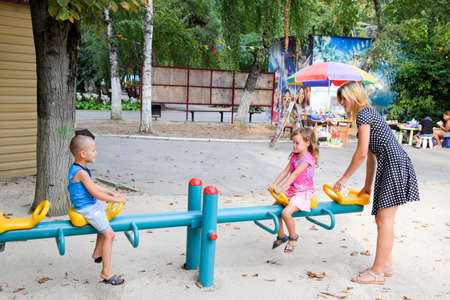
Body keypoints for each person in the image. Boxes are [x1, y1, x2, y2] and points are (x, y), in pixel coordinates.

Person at [333, 81, 419, 285]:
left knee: (385, 220)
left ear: (353, 97)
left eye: (343, 100)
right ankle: (385, 265)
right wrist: (366, 186)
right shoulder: (368, 113)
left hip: (394, 165)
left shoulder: (364, 114)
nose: (342, 104)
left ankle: (377, 273)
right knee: (382, 220)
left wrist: (344, 179)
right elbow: (371, 156)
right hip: (390, 165)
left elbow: (361, 153)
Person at [68, 134, 127, 285]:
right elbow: (94, 193)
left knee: (104, 222)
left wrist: (110, 192)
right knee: (110, 235)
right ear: (83, 154)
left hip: (91, 205)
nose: (96, 153)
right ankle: (106, 272)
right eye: (93, 150)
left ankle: (97, 253)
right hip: (87, 208)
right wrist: (116, 199)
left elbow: (94, 186)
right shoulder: (80, 172)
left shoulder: (81, 169)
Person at [269, 128, 319, 253]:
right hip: (293, 191)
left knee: (286, 213)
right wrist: (274, 184)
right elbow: (285, 172)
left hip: (303, 193)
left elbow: (295, 174)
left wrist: (281, 188)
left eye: (297, 143)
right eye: (293, 142)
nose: (294, 145)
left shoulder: (307, 159)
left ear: (307, 143)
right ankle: (281, 235)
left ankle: (293, 237)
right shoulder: (294, 157)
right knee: (274, 209)